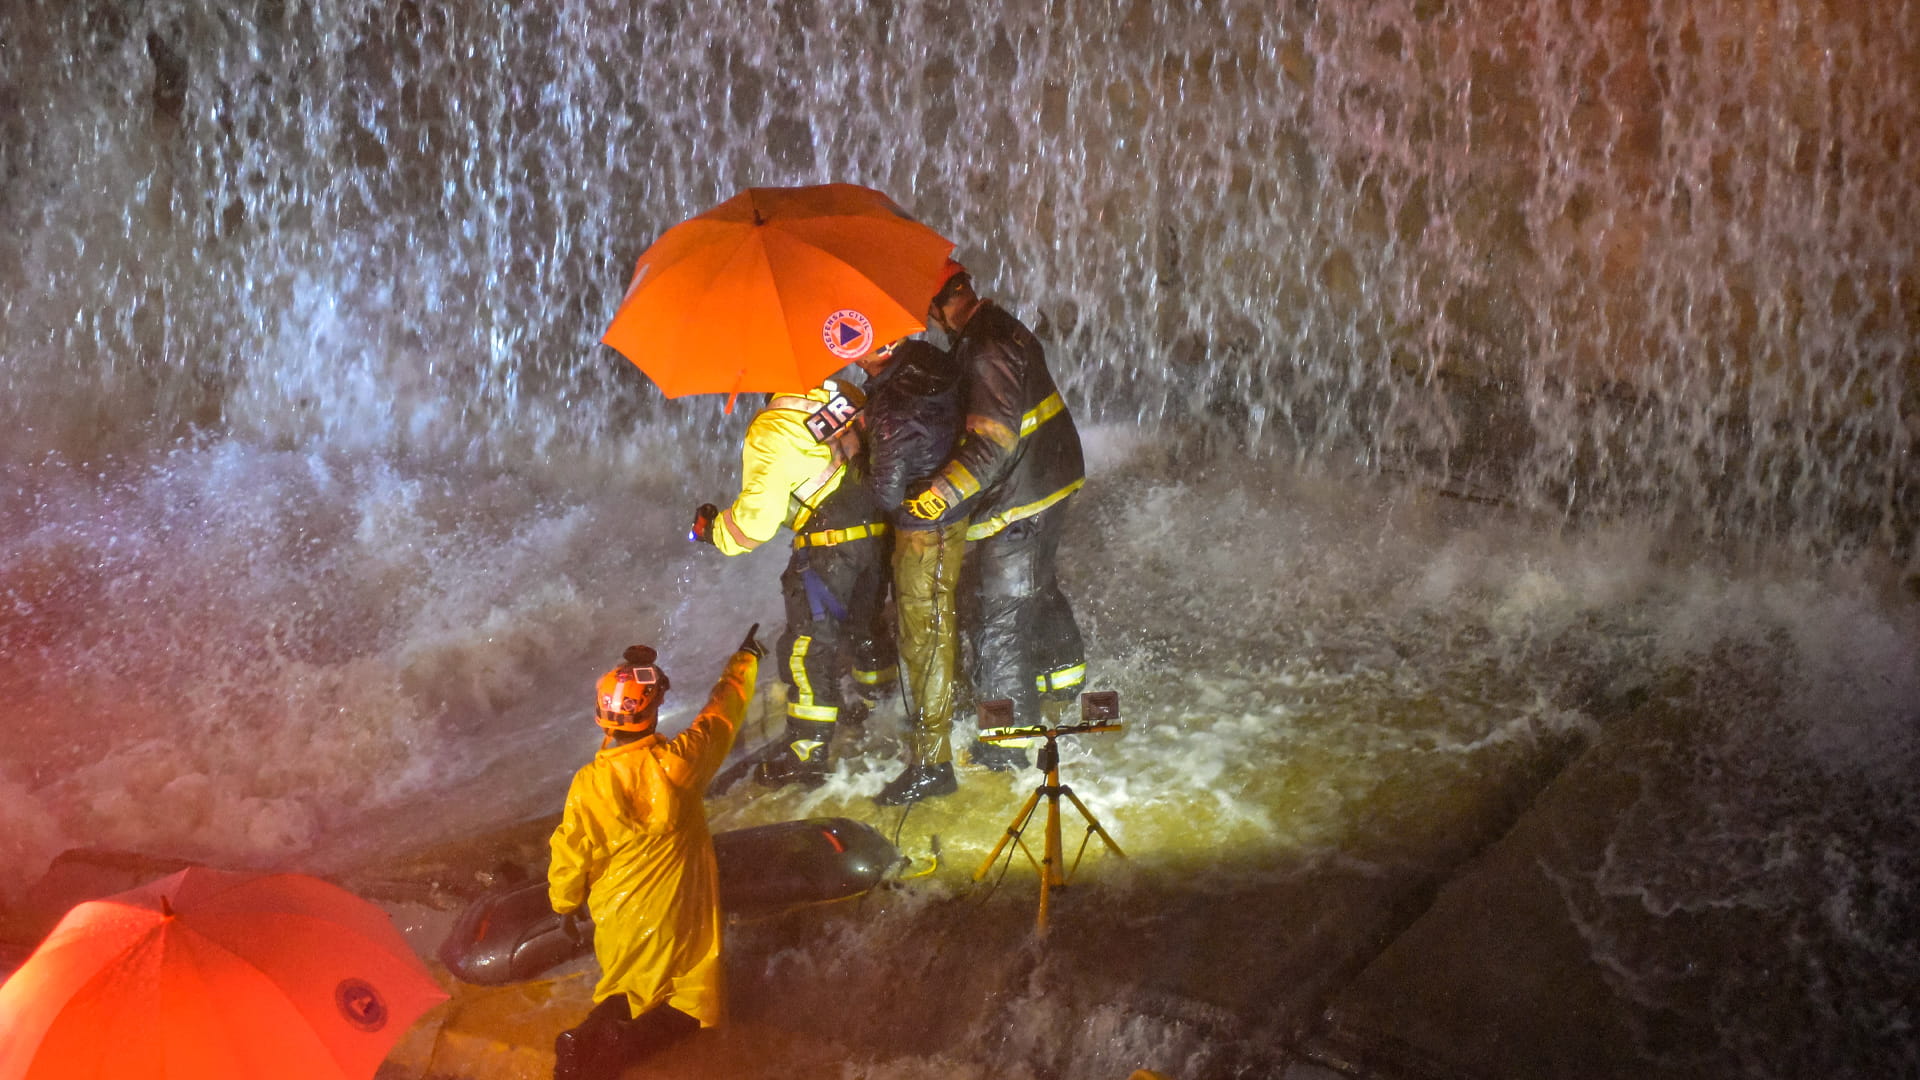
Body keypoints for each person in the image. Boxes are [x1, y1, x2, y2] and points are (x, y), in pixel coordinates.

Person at [547, 627, 765, 1080]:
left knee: (625, 986)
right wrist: (744, 659)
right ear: (653, 709)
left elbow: (569, 848)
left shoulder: (588, 782)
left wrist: (564, 903)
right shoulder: (679, 764)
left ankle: (582, 1041)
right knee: (687, 1001)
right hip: (672, 909)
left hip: (616, 912)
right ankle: (620, 1044)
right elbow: (720, 716)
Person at [904, 265, 1088, 767]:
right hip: (1045, 476)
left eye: (928, 310)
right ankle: (1062, 681)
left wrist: (938, 495)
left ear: (942, 303)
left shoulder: (985, 348)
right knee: (1033, 583)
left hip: (1024, 491)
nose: (928, 320)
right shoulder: (993, 328)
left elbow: (992, 440)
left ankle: (1005, 743)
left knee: (999, 616)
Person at [690, 378, 896, 787]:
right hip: (877, 534)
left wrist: (713, 531)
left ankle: (807, 755)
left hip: (827, 549)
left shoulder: (773, 426)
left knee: (806, 649)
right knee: (865, 624)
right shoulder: (849, 396)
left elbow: (755, 524)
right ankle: (882, 707)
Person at [854, 336, 969, 805]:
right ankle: (937, 720)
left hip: (923, 532)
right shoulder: (928, 361)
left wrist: (855, 444)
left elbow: (884, 494)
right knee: (931, 634)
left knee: (925, 640)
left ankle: (932, 764)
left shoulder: (891, 409)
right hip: (948, 518)